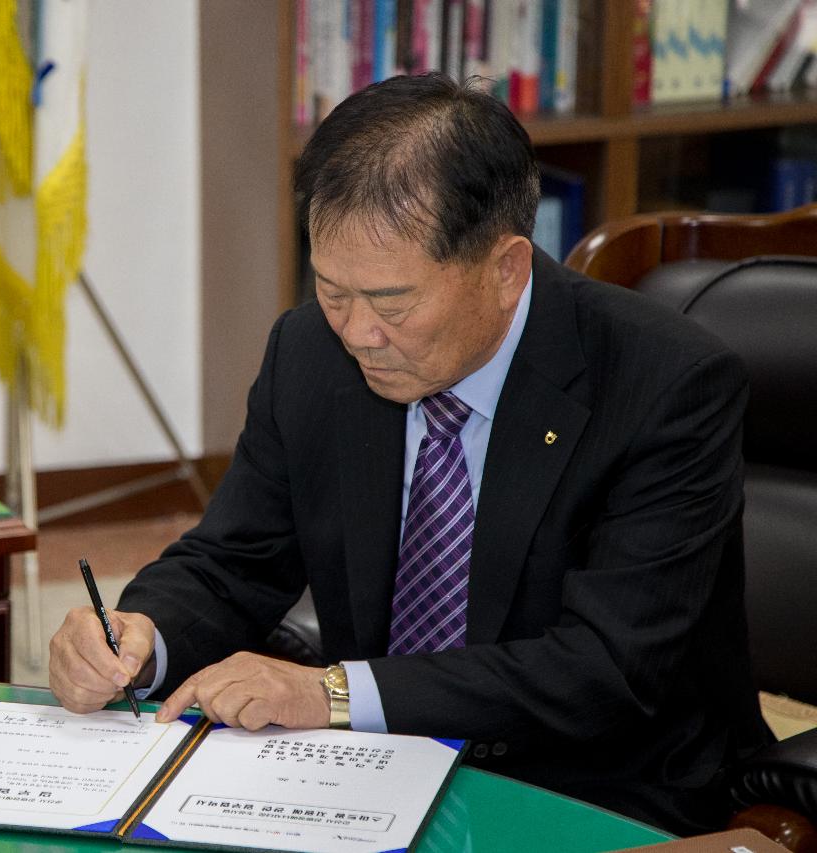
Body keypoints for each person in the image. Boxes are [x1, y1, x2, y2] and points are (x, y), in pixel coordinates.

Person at [48, 73, 772, 835]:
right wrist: (138, 636)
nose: (357, 331)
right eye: (332, 290)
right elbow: (234, 561)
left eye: (391, 303)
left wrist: (329, 693)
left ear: (506, 269)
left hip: (600, 787)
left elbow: (602, 669)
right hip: (367, 780)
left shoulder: (666, 384)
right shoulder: (309, 353)